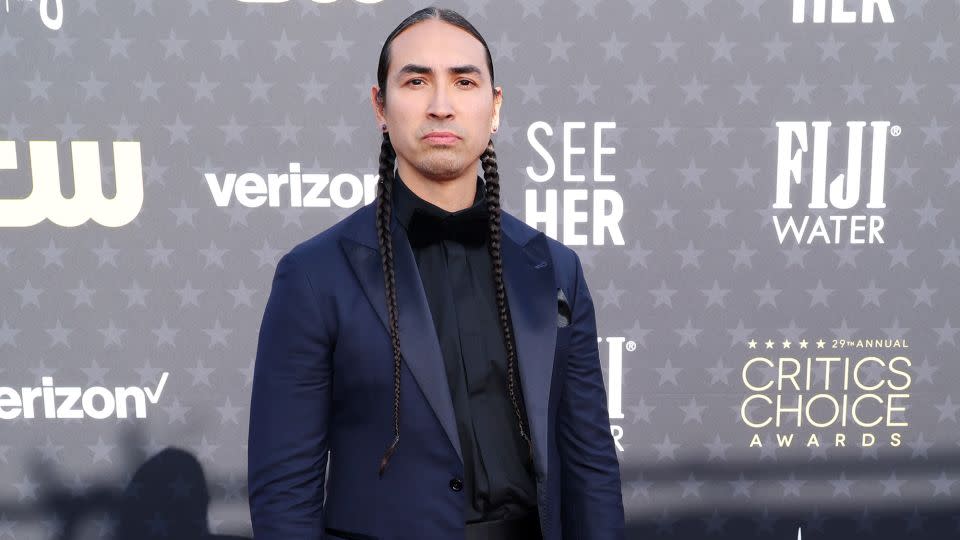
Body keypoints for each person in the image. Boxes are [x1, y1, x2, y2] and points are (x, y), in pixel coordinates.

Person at [247, 6, 625, 540]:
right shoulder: (313, 276)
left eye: (464, 82)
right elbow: (286, 493)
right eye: (417, 81)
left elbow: (590, 467)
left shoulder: (555, 269)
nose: (441, 106)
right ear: (380, 105)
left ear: (495, 107)